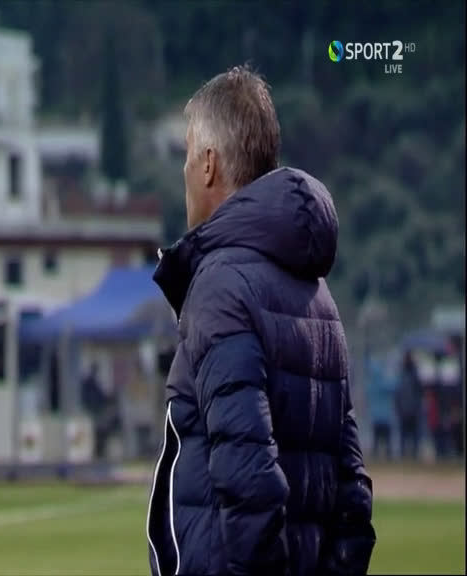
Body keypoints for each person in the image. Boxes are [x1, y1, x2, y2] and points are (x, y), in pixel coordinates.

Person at [146, 66, 375, 576]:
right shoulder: (318, 293)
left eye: (188, 154)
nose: (184, 170)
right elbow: (352, 492)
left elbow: (248, 473)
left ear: (208, 164)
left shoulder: (220, 286)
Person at [395, 351, 422, 460]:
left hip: (411, 409)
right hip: (407, 409)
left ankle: (413, 455)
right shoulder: (406, 373)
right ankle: (406, 455)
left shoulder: (408, 374)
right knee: (407, 435)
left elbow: (418, 392)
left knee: (411, 435)